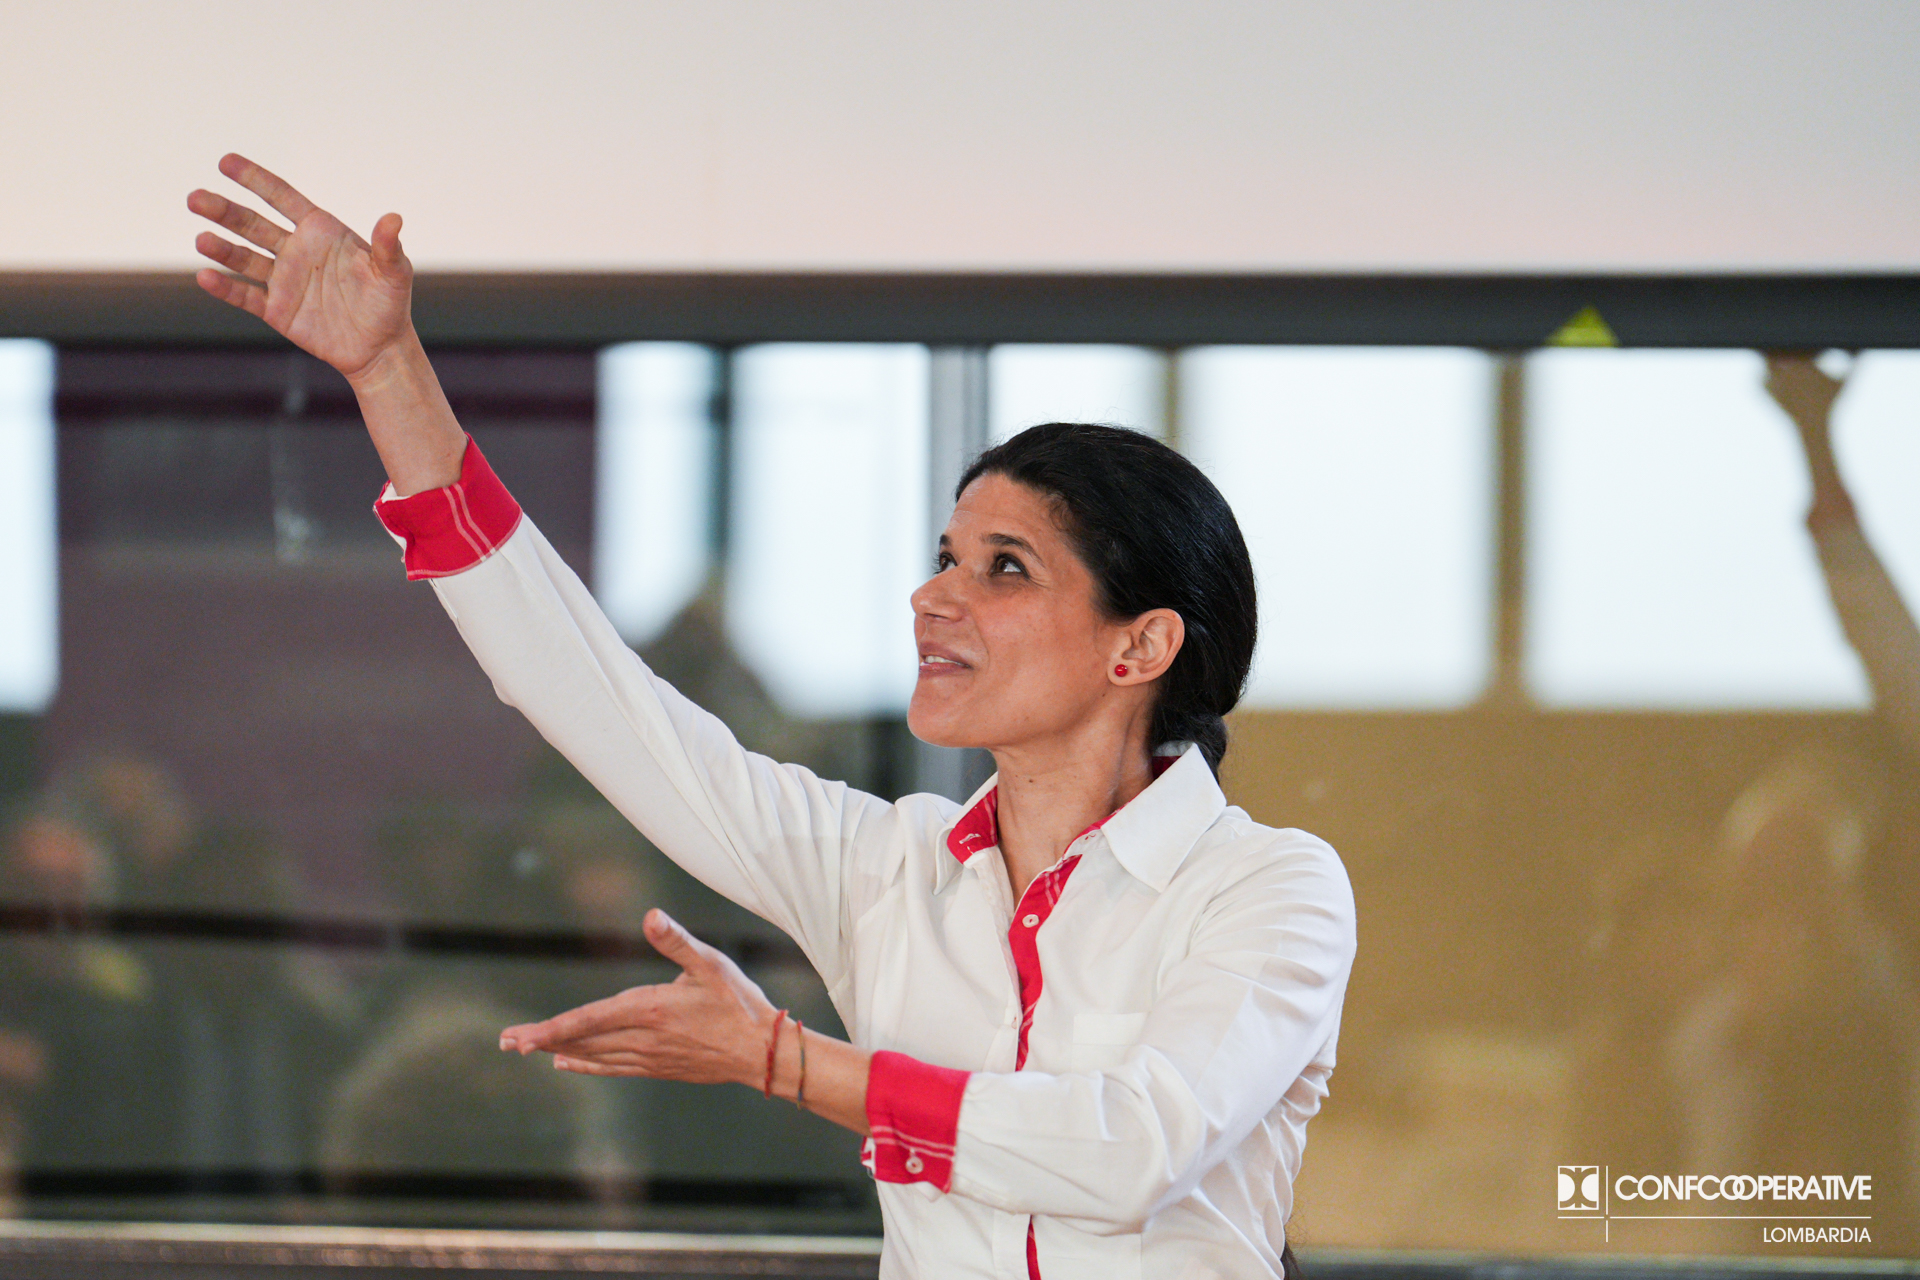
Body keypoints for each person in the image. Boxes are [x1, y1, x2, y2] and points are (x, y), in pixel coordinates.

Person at [188, 154, 1357, 1280]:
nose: (934, 596)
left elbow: (1128, 1149)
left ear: (1140, 644)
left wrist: (785, 1059)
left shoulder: (1268, 887)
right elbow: (586, 691)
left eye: (1005, 567)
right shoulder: (885, 868)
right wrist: (390, 373)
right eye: (945, 555)